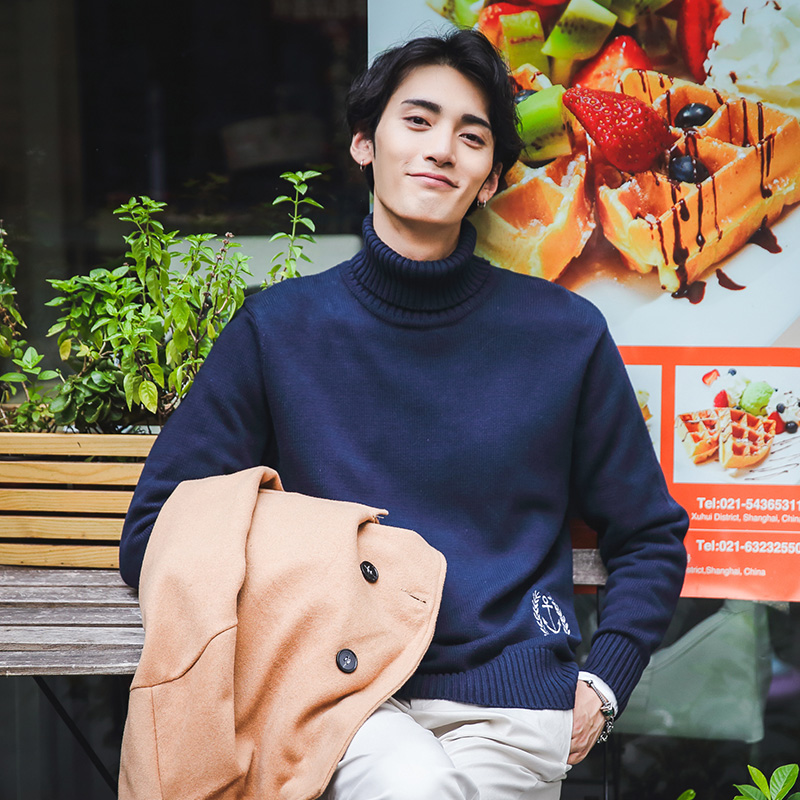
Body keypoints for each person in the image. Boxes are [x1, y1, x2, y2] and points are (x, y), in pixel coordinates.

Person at [120, 29, 688, 799]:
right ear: (364, 143)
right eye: (417, 121)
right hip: (337, 703)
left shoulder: (563, 335)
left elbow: (648, 533)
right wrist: (316, 587)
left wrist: (605, 685)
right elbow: (159, 527)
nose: (441, 149)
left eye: (472, 136)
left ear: (489, 180)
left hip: (514, 705)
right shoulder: (278, 331)